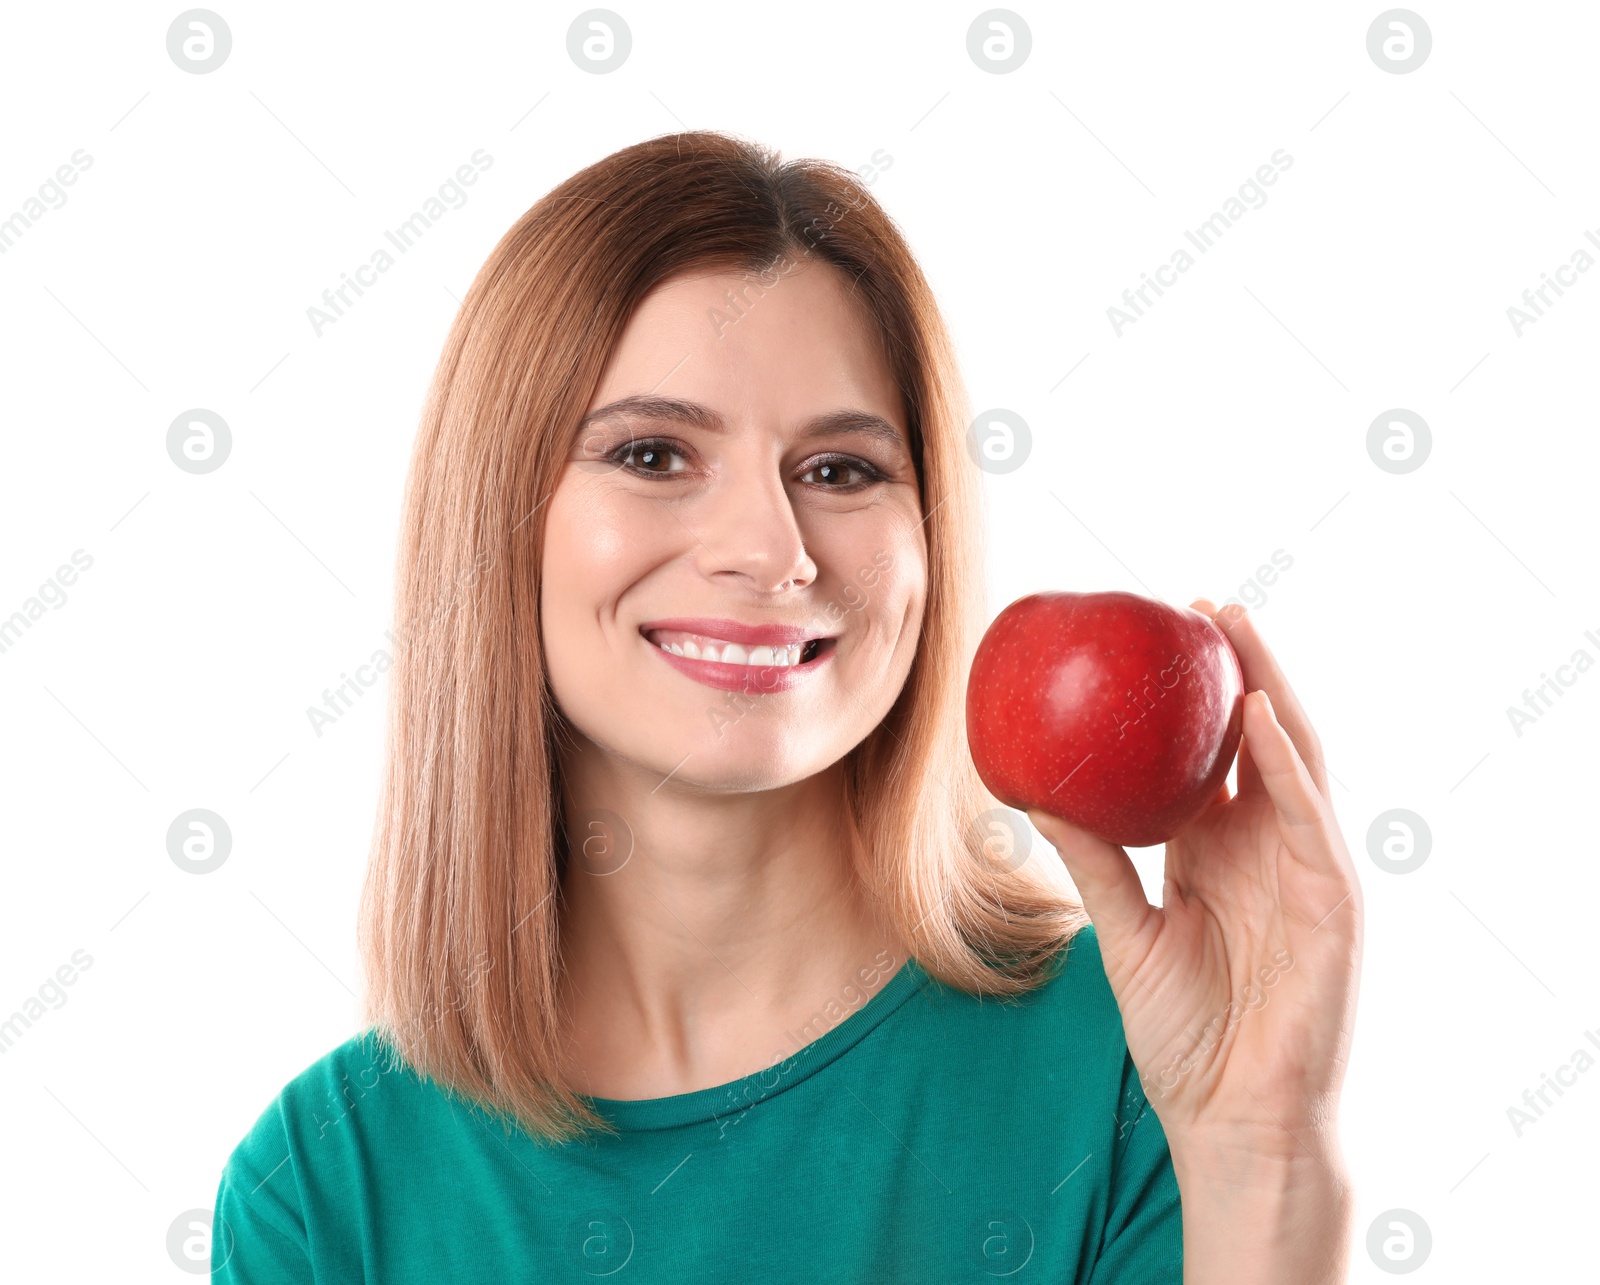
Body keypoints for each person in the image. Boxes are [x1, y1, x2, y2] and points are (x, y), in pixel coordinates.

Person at [211, 130, 1362, 1283]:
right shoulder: (323, 1188)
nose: (770, 552)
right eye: (655, 454)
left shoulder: (1137, 1071)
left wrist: (1260, 1152)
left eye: (839, 470)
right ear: (495, 519)